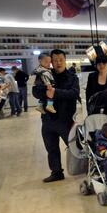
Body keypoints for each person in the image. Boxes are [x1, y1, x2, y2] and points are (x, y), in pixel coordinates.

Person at [32, 49, 80, 183]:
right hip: (47, 120)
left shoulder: (72, 77)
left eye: (61, 60)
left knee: (75, 147)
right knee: (51, 148)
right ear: (51, 61)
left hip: (65, 120)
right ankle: (56, 172)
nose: (58, 62)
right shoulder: (44, 74)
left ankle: (84, 168)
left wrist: (55, 92)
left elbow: (74, 93)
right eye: (55, 60)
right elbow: (35, 91)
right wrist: (46, 92)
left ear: (65, 60)